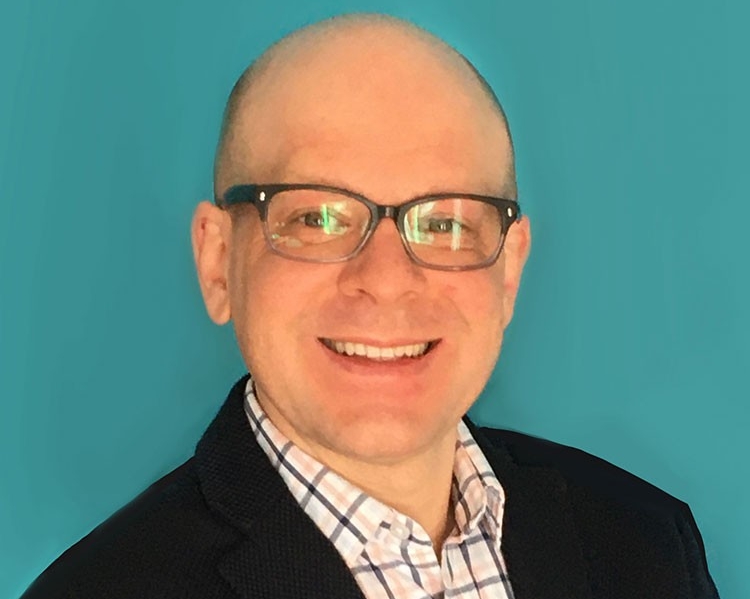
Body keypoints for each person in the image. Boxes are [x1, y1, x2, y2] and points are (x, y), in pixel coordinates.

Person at [21, 13, 719, 599]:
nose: (386, 279)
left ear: (508, 272)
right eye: (317, 218)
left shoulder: (645, 541)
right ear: (217, 264)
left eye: (445, 223)